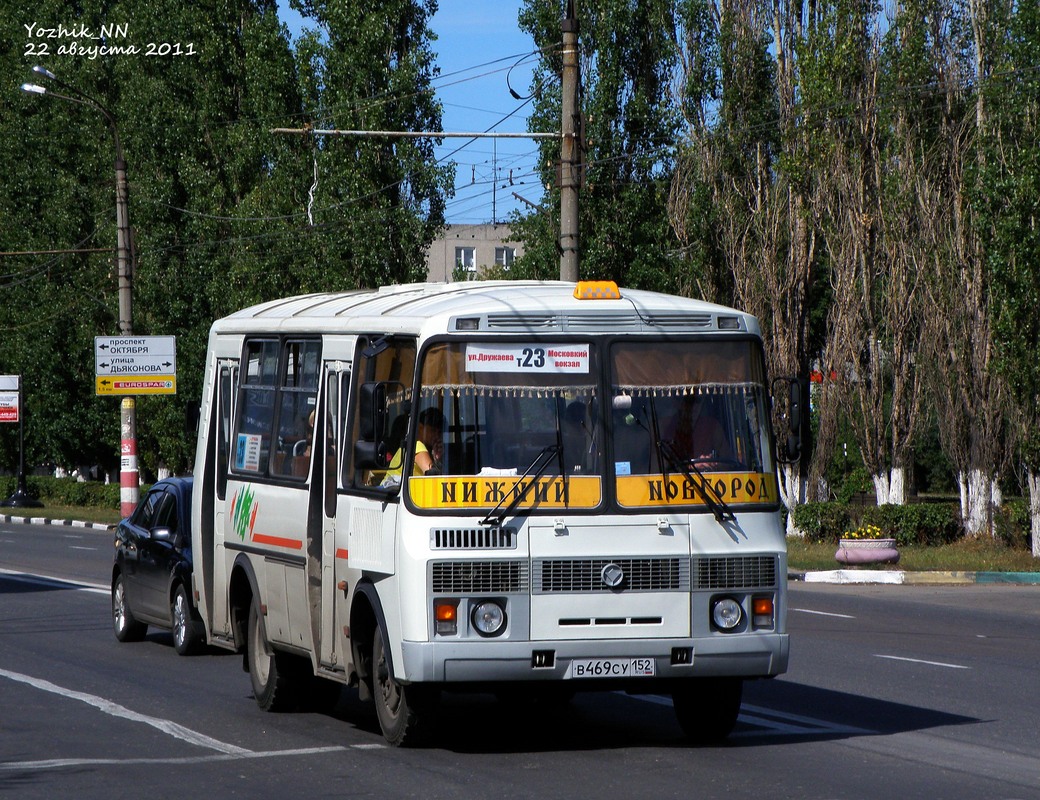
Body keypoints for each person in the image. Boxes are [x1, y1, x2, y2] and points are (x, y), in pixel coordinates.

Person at [383, 406, 444, 483]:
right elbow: (433, 476)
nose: (436, 435)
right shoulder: (416, 446)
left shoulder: (424, 448)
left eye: (439, 432)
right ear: (420, 427)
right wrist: (438, 460)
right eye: (433, 430)